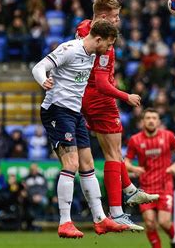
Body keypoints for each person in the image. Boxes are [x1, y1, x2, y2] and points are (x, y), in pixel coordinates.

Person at [32, 20, 127, 238]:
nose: (110, 49)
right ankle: (65, 221)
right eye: (109, 44)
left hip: (75, 113)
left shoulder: (93, 54)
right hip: (57, 110)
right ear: (99, 39)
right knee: (71, 163)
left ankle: (100, 219)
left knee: (88, 164)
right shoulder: (69, 49)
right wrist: (43, 80)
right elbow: (39, 67)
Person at [76, 0, 159, 229]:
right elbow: (103, 84)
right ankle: (116, 212)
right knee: (113, 154)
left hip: (83, 96)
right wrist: (127, 96)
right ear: (103, 17)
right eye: (115, 17)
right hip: (101, 99)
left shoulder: (82, 27)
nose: (118, 20)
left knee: (114, 151)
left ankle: (130, 190)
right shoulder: (106, 48)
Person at [125, 108, 175, 248]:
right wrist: (134, 169)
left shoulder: (168, 136)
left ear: (158, 121)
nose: (151, 120)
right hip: (145, 188)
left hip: (165, 186)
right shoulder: (135, 140)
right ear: (142, 121)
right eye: (148, 118)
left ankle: (174, 238)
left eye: (154, 118)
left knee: (164, 221)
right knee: (149, 222)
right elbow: (126, 162)